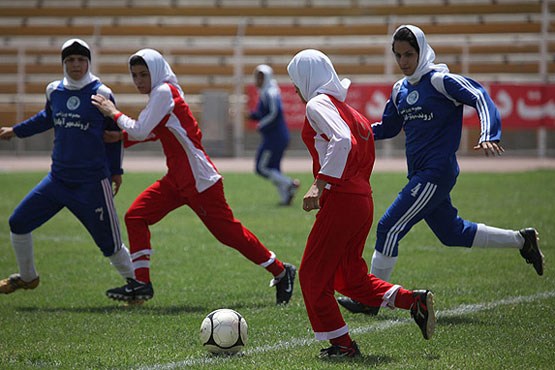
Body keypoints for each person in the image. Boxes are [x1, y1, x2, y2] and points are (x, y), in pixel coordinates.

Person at [337, 24, 545, 316]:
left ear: (421, 51)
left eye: (409, 54)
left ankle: (371, 298)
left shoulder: (439, 81)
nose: (403, 61)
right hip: (421, 175)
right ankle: (522, 240)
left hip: (436, 173)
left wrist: (489, 133)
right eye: (398, 55)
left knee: (388, 226)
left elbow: (480, 96)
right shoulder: (399, 90)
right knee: (452, 233)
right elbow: (388, 128)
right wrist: (352, 132)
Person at [91, 48, 296, 305]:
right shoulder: (162, 93)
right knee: (136, 216)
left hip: (199, 180)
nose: (139, 80)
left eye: (144, 74)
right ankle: (141, 284)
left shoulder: (164, 92)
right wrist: (121, 136)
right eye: (134, 75)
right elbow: (159, 131)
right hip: (178, 178)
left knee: (228, 234)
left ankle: (281, 271)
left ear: (155, 72)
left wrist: (113, 113)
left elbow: (143, 130)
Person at [286, 48, 436, 358]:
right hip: (360, 200)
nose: (294, 89)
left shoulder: (318, 104)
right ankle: (414, 301)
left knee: (313, 276)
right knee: (347, 277)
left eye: (295, 81)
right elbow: (360, 147)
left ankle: (342, 345)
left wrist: (320, 184)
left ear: (306, 77)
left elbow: (342, 141)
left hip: (342, 200)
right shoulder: (349, 110)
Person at [0, 38, 134, 295]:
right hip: (57, 180)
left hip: (92, 183)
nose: (76, 64)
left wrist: (116, 171)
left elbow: (114, 134)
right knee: (18, 222)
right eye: (70, 60)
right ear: (64, 63)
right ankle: (28, 277)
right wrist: (15, 131)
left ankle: (136, 285)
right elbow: (46, 118)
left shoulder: (102, 93)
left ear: (88, 62)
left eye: (81, 60)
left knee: (110, 244)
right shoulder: (54, 90)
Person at [248, 64, 300, 205]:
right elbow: (261, 113)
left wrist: (261, 123)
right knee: (274, 169)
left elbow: (274, 112)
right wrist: (252, 116)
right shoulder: (267, 91)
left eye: (260, 77)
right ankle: (285, 198)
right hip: (276, 136)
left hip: (275, 137)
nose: (257, 80)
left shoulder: (270, 92)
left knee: (261, 168)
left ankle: (289, 183)